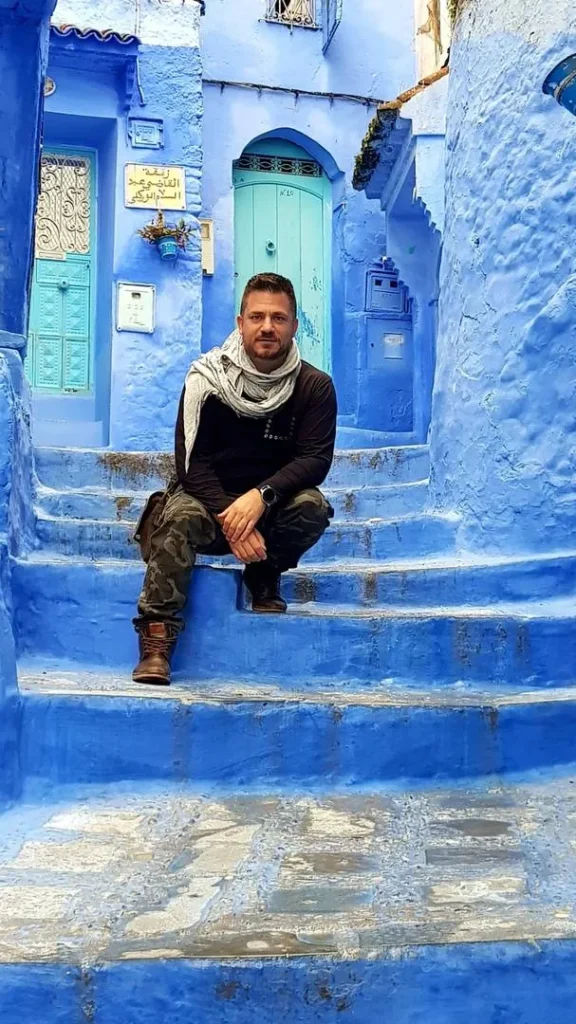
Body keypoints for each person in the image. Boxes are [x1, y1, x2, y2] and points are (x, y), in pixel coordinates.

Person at [132, 272, 337, 686]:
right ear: (240, 322)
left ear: (294, 326)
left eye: (278, 318)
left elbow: (314, 460)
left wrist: (261, 497)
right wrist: (233, 516)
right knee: (178, 518)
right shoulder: (206, 381)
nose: (267, 327)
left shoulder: (314, 387)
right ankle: (156, 639)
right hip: (208, 501)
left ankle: (263, 575)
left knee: (312, 508)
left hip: (268, 508)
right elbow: (191, 464)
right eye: (257, 317)